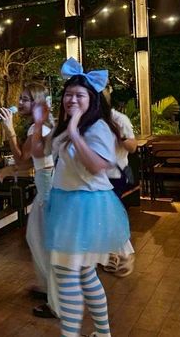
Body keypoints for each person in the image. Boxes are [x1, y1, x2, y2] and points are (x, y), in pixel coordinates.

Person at [46, 58, 133, 337]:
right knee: (84, 273)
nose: (72, 99)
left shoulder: (98, 128)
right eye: (68, 94)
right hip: (67, 202)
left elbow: (97, 166)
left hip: (83, 207)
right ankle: (103, 334)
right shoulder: (70, 126)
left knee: (66, 275)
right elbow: (45, 153)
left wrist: (74, 131)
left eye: (79, 95)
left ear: (92, 99)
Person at [0, 83, 57, 319]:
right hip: (46, 188)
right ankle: (47, 287)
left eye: (25, 99)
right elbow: (29, 162)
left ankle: (56, 300)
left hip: (48, 192)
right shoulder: (41, 126)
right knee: (36, 238)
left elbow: (23, 160)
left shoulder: (36, 128)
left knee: (43, 242)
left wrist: (9, 130)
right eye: (20, 98)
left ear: (37, 103)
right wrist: (10, 169)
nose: (19, 103)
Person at [102, 85, 138, 277]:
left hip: (115, 175)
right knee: (103, 216)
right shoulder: (89, 122)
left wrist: (120, 136)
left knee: (108, 215)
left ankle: (123, 254)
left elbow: (133, 146)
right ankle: (112, 254)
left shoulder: (119, 119)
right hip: (96, 175)